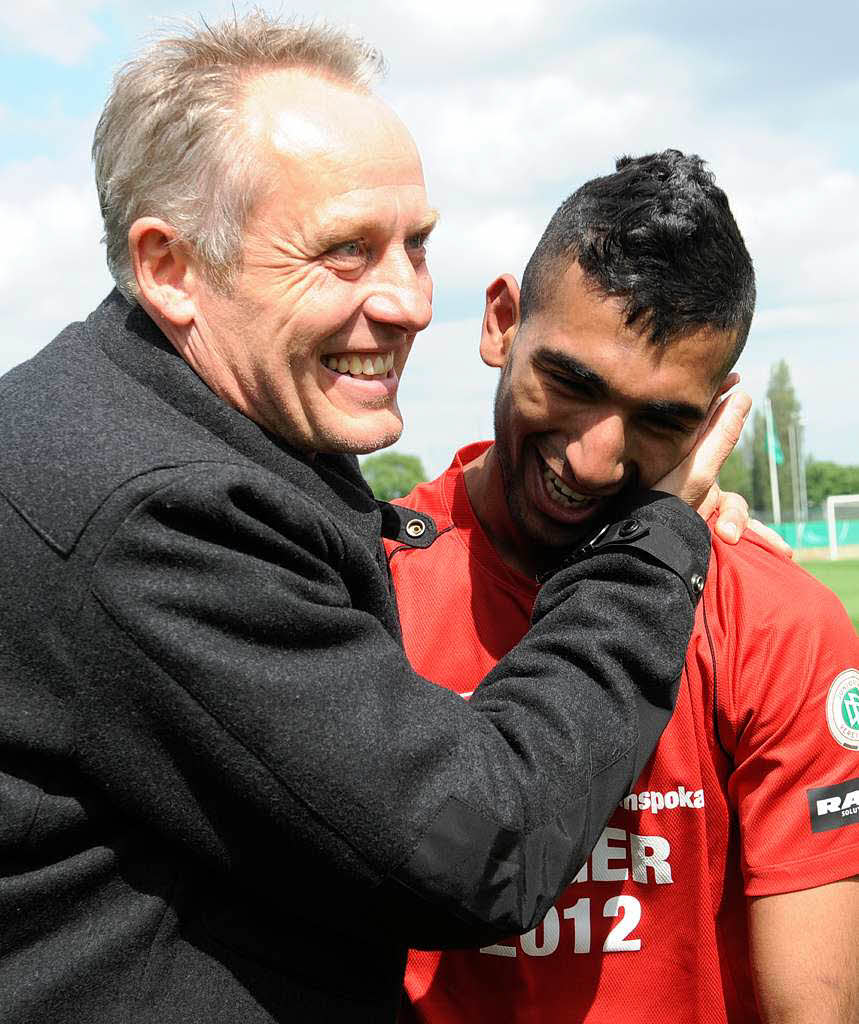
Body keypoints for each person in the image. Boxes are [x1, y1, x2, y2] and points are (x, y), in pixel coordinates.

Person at [0, 16, 754, 1024]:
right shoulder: (153, 511)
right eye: (343, 253)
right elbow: (470, 845)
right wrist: (654, 543)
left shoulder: (144, 425)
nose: (405, 302)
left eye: (415, 244)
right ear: (171, 267)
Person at [394, 151, 859, 1024]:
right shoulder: (359, 585)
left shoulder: (775, 620)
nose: (593, 458)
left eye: (661, 419)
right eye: (571, 383)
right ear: (500, 322)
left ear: (714, 415)